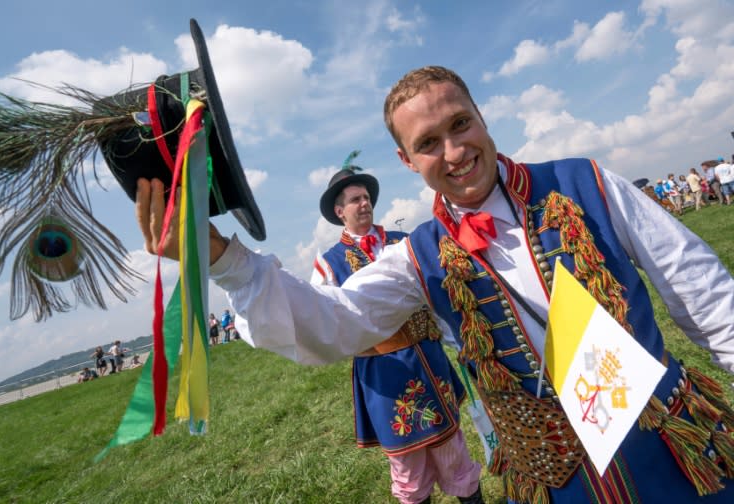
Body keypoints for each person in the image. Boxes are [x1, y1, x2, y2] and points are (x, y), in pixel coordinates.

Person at [136, 66, 734, 503]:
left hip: (671, 449)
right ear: (407, 160)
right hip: (559, 481)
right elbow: (330, 323)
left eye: (460, 124)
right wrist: (223, 260)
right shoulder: (414, 255)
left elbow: (700, 289)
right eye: (427, 144)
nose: (454, 151)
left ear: (481, 116)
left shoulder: (586, 182)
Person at [310, 152, 482, 504]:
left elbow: (436, 291)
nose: (364, 203)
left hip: (428, 359)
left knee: (454, 451)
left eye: (366, 197)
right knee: (407, 467)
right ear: (339, 212)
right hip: (384, 375)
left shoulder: (404, 242)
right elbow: (325, 322)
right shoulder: (328, 264)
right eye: (355, 200)